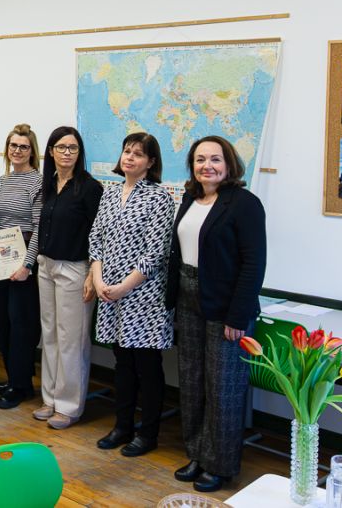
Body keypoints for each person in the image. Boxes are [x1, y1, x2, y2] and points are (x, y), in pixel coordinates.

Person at [168, 136, 267, 492]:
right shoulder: (189, 199)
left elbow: (253, 264)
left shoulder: (244, 204)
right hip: (188, 298)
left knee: (223, 388)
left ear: (229, 164)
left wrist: (238, 317)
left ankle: (220, 465)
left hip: (226, 306)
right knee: (192, 381)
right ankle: (197, 453)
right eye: (200, 159)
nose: (206, 165)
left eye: (215, 159)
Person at [90, 132, 175, 457]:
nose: (129, 158)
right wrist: (98, 279)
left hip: (144, 296)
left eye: (138, 154)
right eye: (127, 151)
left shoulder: (159, 198)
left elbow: (155, 253)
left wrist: (124, 287)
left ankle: (148, 434)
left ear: (151, 162)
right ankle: (122, 426)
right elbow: (96, 239)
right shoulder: (110, 192)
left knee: (147, 366)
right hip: (109, 292)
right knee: (122, 363)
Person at [34, 126, 103, 429]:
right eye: (61, 147)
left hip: (75, 269)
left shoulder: (89, 188)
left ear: (79, 152)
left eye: (72, 148)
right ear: (51, 151)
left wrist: (91, 274)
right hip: (46, 266)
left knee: (71, 339)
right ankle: (50, 398)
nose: (66, 153)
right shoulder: (49, 184)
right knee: (49, 334)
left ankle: (69, 406)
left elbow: (100, 235)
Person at [0, 124, 42, 410]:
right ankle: (13, 378)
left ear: (32, 151)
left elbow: (39, 227)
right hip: (1, 254)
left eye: (23, 146)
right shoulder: (4, 180)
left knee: (22, 323)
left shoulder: (38, 182)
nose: (17, 150)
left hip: (23, 256)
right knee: (3, 321)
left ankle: (20, 385)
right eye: (13, 145)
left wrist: (28, 264)